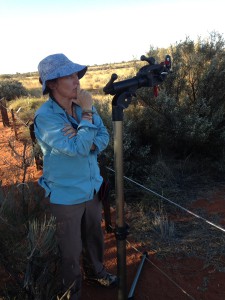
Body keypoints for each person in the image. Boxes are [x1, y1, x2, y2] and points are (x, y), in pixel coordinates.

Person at [34, 53, 117, 300]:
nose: (76, 81)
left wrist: (85, 138)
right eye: (68, 76)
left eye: (76, 75)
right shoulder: (46, 117)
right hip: (66, 194)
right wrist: (87, 117)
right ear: (51, 84)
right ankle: (72, 293)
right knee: (70, 251)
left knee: (94, 237)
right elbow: (76, 148)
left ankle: (96, 272)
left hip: (91, 187)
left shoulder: (81, 106)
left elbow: (102, 137)